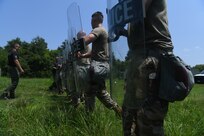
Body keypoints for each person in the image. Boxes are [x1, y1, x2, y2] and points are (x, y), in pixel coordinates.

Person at [117, 0, 173, 135]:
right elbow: (139, 24)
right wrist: (122, 31)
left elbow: (138, 10)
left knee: (148, 118)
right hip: (137, 55)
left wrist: (120, 13)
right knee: (130, 112)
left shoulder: (134, 5)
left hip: (152, 55)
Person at [78, 11, 122, 116]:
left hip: (98, 66)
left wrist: (76, 45)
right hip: (102, 66)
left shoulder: (98, 30)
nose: (91, 23)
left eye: (92, 20)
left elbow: (88, 39)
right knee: (100, 92)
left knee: (89, 92)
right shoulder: (104, 31)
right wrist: (83, 56)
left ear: (95, 20)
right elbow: (95, 52)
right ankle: (118, 110)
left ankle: (89, 117)